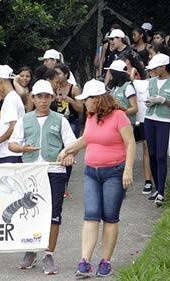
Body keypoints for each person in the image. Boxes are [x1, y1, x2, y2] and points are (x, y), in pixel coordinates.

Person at [58, 79, 136, 277]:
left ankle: (105, 260)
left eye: (87, 99)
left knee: (110, 217)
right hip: (92, 171)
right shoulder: (91, 116)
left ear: (98, 99)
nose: (84, 103)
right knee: (91, 215)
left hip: (114, 172)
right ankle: (84, 261)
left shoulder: (119, 116)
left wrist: (127, 170)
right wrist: (67, 149)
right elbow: (86, 139)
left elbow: (130, 143)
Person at [9, 79, 76, 275]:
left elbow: (72, 144)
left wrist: (69, 155)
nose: (43, 100)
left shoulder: (60, 120)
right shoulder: (25, 120)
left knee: (54, 214)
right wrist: (23, 148)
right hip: (31, 172)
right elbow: (12, 144)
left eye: (47, 96)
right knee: (30, 211)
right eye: (39, 96)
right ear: (33, 98)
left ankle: (48, 253)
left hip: (54, 172)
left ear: (52, 98)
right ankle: (31, 249)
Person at [144, 54, 170, 206]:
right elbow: (149, 98)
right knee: (152, 154)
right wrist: (149, 102)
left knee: (161, 156)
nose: (153, 71)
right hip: (150, 119)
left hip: (165, 121)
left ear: (163, 67)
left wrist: (163, 101)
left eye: (155, 68)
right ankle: (157, 186)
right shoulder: (152, 81)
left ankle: (161, 191)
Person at [0, 65, 25, 163]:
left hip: (10, 154)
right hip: (11, 153)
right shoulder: (12, 98)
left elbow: (13, 127)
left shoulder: (11, 99)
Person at [54, 63, 83, 197]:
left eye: (59, 73)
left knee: (68, 152)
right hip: (56, 122)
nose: (56, 76)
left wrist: (70, 100)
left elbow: (81, 109)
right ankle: (56, 183)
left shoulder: (74, 88)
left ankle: (64, 185)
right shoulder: (53, 87)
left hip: (71, 121)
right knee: (56, 151)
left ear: (66, 74)